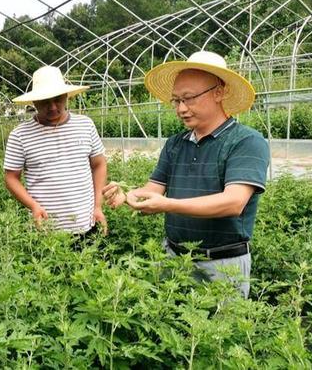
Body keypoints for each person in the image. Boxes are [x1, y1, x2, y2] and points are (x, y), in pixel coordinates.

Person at [103, 51, 270, 298]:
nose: (181, 108)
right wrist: (127, 194)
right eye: (176, 100)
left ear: (219, 92)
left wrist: (168, 204)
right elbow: (154, 189)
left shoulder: (246, 141)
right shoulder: (175, 143)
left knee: (222, 334)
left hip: (222, 266)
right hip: (173, 259)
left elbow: (234, 202)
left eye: (189, 98)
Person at [4, 65, 107, 236]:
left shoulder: (85, 125)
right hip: (46, 230)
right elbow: (11, 178)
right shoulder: (20, 135)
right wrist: (33, 206)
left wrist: (98, 206)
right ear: (34, 101)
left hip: (87, 223)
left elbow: (99, 164)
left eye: (58, 99)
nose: (52, 107)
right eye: (45, 101)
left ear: (66, 96)